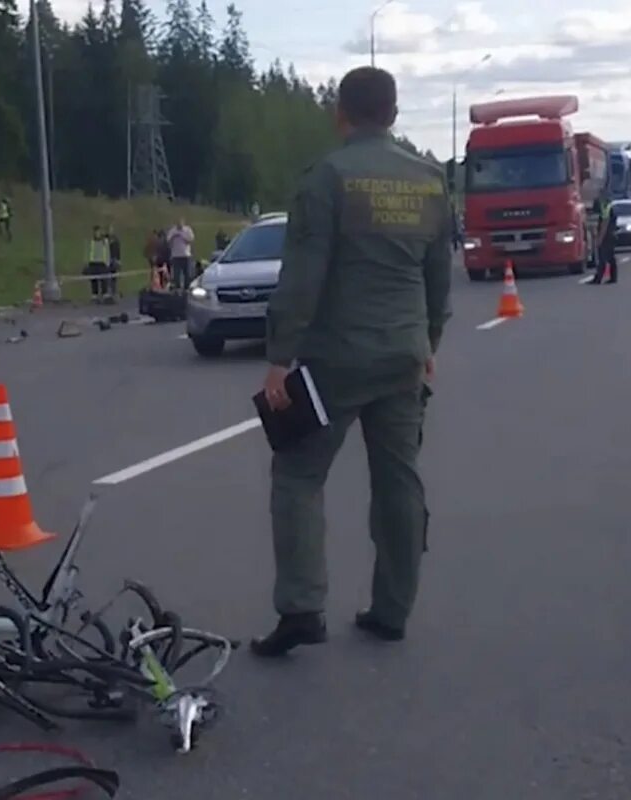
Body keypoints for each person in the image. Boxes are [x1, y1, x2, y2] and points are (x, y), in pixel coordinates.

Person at [251, 65, 452, 657]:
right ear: (393, 113)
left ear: (341, 113)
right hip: (403, 357)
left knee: (298, 475)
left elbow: (303, 275)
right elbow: (438, 278)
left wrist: (278, 358)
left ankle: (302, 607)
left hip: (335, 359)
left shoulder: (328, 177)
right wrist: (429, 346)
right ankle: (393, 609)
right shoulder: (430, 179)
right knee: (398, 482)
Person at [589, 193, 618, 285]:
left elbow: (605, 222)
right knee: (610, 257)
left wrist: (600, 238)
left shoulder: (605, 206)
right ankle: (613, 277)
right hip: (611, 234)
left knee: (603, 257)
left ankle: (599, 278)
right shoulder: (608, 205)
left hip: (607, 235)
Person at [166, 218, 195, 291]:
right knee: (176, 275)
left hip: (186, 255)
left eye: (181, 224)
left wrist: (182, 236)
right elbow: (168, 241)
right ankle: (178, 289)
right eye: (178, 224)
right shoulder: (173, 231)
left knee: (188, 274)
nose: (179, 225)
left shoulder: (187, 230)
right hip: (176, 256)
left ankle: (187, 288)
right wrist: (174, 237)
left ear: (183, 223)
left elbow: (190, 240)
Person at [83, 225, 111, 301]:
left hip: (102, 262)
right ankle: (94, 295)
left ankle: (104, 294)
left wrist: (107, 263)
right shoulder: (91, 241)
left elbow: (107, 252)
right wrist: (86, 262)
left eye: (98, 231)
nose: (97, 233)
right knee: (94, 280)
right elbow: (88, 251)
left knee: (103, 279)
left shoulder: (105, 241)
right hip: (93, 263)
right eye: (95, 232)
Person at [105, 225, 122, 299]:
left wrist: (118, 260)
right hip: (107, 259)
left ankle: (113, 292)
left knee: (113, 277)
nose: (111, 231)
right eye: (110, 230)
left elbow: (118, 251)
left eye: (112, 230)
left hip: (114, 260)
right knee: (108, 276)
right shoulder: (106, 239)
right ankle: (108, 293)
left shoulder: (116, 240)